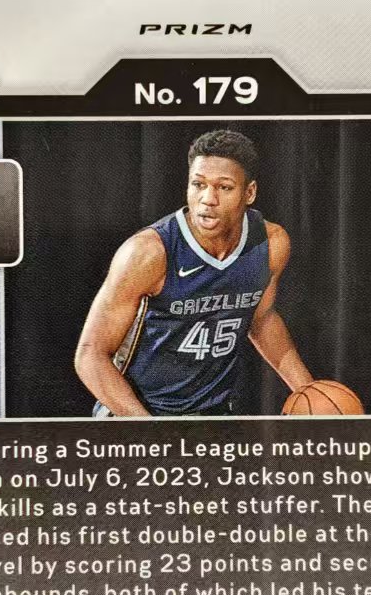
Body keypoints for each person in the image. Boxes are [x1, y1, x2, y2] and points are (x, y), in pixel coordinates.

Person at [74, 128, 313, 416]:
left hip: (214, 415)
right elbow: (90, 354)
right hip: (138, 413)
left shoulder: (270, 243)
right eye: (198, 184)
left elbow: (261, 319)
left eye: (224, 187)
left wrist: (309, 392)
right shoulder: (148, 252)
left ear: (249, 193)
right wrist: (149, 429)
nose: (208, 199)